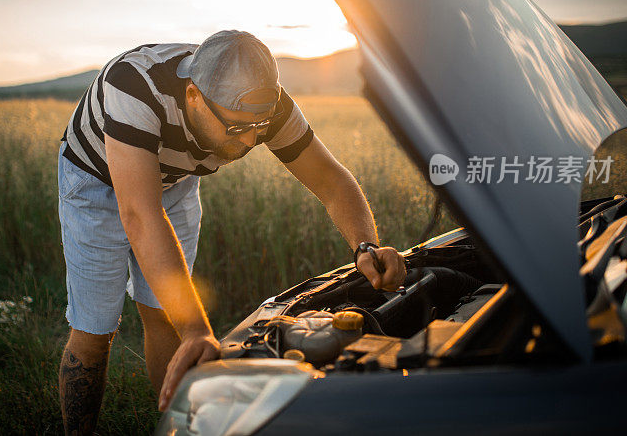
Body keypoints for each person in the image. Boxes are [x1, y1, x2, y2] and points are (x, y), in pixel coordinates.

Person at [56, 30, 406, 434]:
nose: (252, 139)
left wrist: (366, 246)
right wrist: (197, 330)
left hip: (174, 182)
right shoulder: (135, 87)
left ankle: (174, 428)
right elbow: (140, 215)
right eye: (237, 127)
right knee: (95, 329)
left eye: (260, 126)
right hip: (95, 180)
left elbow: (330, 180)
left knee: (164, 313)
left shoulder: (264, 107)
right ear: (193, 97)